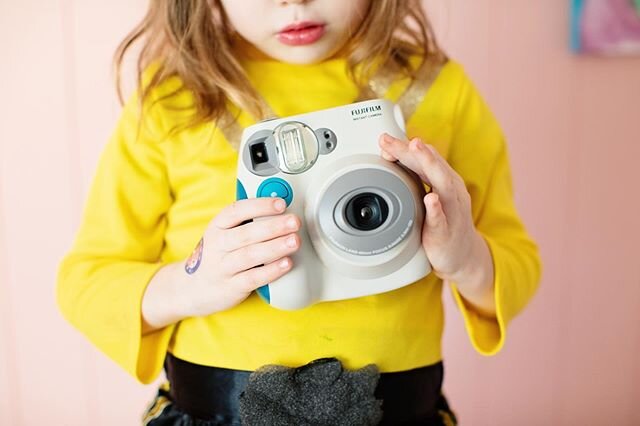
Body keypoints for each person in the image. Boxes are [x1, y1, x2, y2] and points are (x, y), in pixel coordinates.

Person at [56, 0, 542, 425]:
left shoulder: (438, 89)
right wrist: (192, 284)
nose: (293, 1)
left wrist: (466, 258)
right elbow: (87, 282)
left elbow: (517, 266)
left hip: (402, 410)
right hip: (214, 410)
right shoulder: (173, 99)